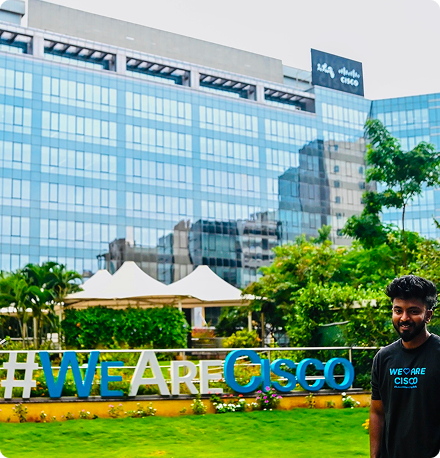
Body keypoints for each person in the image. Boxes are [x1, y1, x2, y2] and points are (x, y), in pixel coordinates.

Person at [370, 275, 440, 458]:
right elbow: (378, 411)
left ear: (428, 315)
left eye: (413, 311)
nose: (404, 318)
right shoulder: (383, 358)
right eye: (398, 310)